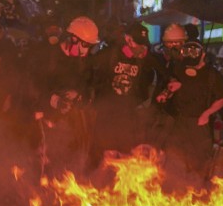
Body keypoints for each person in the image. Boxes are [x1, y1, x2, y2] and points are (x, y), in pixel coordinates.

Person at [28, 15, 98, 177]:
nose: (86, 51)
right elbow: (32, 88)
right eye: (85, 45)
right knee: (45, 167)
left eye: (89, 46)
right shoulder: (48, 57)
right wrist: (53, 100)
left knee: (69, 171)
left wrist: (79, 96)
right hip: (45, 125)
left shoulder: (83, 62)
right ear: (73, 39)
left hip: (71, 127)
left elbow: (89, 88)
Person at [154, 37, 223, 180]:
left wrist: (207, 114)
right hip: (179, 121)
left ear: (203, 55)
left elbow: (222, 99)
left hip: (200, 123)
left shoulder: (211, 74)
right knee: (175, 157)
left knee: (199, 161)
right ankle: (176, 192)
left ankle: (198, 193)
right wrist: (166, 93)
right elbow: (172, 84)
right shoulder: (179, 68)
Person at [90, 22, 161, 159]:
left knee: (125, 158)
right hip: (106, 116)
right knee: (100, 156)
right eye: (138, 44)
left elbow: (162, 70)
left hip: (128, 117)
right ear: (128, 40)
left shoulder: (143, 59)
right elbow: (89, 67)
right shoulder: (110, 54)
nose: (142, 48)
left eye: (144, 44)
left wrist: (173, 80)